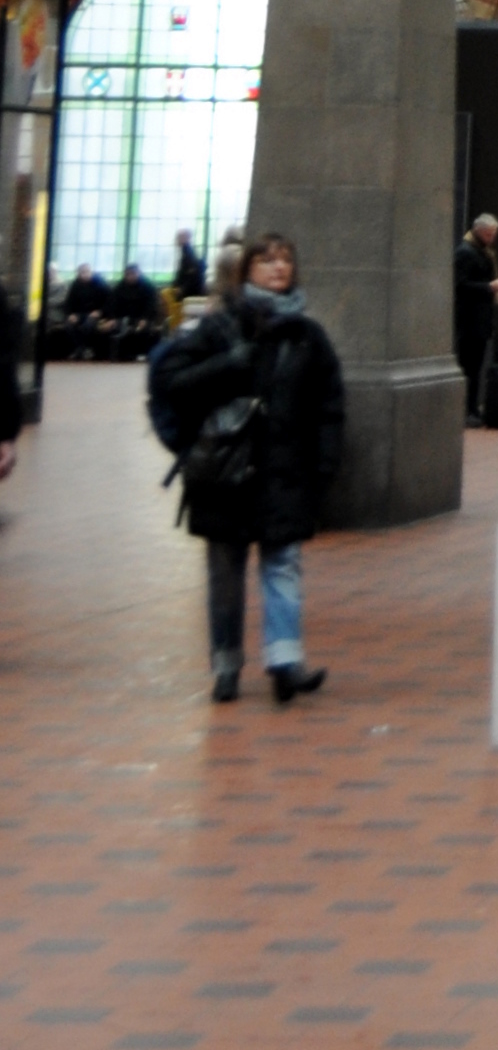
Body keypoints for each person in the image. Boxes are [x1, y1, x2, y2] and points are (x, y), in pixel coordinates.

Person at [148, 229, 345, 704]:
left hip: (283, 471)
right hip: (226, 471)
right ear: (247, 270)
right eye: (267, 260)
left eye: (285, 260)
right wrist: (228, 366)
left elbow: (329, 405)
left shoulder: (307, 336)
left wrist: (324, 465)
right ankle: (226, 664)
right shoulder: (219, 327)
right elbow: (171, 381)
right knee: (226, 572)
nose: (278, 268)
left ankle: (285, 663)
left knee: (283, 565)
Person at [455, 214, 498, 415]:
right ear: (477, 230)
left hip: (480, 319)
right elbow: (460, 285)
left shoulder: (483, 251)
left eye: (493, 234)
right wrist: (488, 287)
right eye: (488, 234)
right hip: (470, 320)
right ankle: (468, 409)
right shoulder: (466, 253)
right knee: (470, 367)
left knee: (476, 367)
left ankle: (473, 408)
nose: (491, 238)